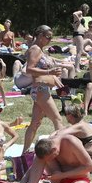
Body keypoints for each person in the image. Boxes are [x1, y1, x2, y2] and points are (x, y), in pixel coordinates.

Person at [22, 25, 65, 153]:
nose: (50, 40)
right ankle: (62, 151)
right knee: (58, 120)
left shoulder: (39, 49)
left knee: (35, 123)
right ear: (40, 36)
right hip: (40, 89)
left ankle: (24, 152)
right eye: (48, 37)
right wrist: (49, 72)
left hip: (41, 89)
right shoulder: (35, 49)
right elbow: (29, 69)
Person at [22, 135, 92, 183]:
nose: (50, 160)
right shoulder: (48, 144)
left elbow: (89, 166)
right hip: (58, 181)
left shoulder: (71, 142)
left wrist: (62, 175)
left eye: (50, 158)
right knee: (39, 156)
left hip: (77, 181)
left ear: (54, 150)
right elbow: (35, 166)